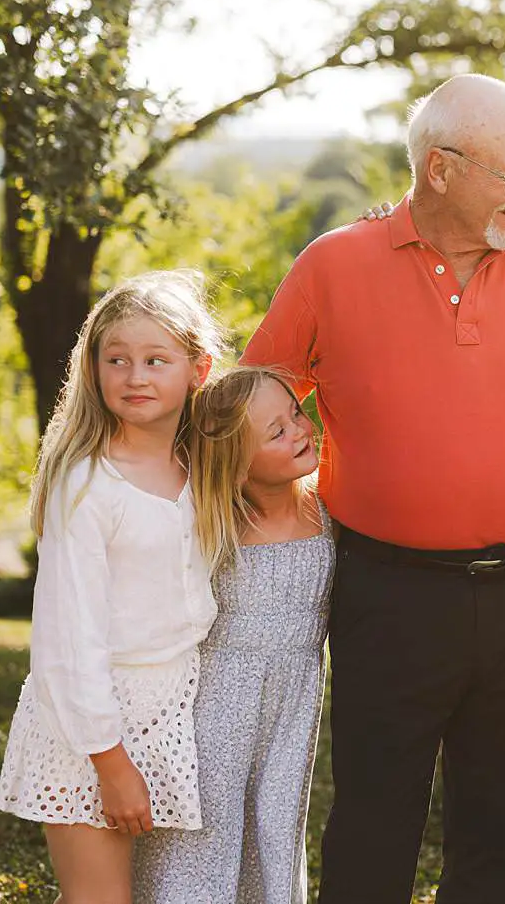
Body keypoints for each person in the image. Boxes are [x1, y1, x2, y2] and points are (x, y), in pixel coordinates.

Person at [242, 73, 505, 903]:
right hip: (386, 595)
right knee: (371, 826)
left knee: (499, 834)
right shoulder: (334, 264)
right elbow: (248, 406)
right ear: (440, 168)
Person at [0, 270, 222, 904]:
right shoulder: (88, 484)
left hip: (172, 709)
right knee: (100, 899)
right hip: (88, 724)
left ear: (197, 370)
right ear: (92, 370)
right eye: (116, 360)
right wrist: (111, 764)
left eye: (156, 360)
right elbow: (69, 642)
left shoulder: (203, 466)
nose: (135, 376)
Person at [132, 367, 334, 904]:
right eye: (276, 431)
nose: (299, 428)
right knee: (205, 832)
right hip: (217, 708)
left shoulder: (329, 510)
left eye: (295, 412)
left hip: (292, 704)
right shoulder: (214, 527)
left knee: (275, 822)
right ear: (237, 464)